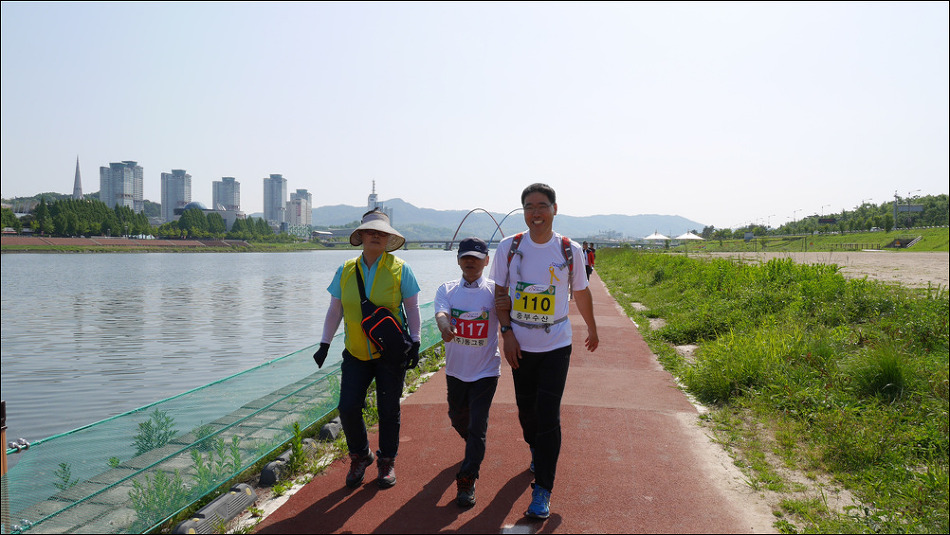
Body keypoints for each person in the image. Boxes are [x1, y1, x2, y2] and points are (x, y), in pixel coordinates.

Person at [490, 183, 599, 520]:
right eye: (529, 207)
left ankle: (543, 489)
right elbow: (499, 293)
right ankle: (536, 449)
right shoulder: (509, 247)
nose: (535, 213)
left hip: (556, 346)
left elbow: (581, 292)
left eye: (541, 206)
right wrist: (506, 332)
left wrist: (592, 328)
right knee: (527, 414)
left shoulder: (569, 250)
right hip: (520, 346)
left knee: (549, 415)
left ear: (554, 209)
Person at [312, 209, 421, 490]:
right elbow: (335, 310)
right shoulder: (346, 270)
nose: (375, 235)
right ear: (360, 235)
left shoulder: (401, 269)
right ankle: (361, 455)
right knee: (348, 407)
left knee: (388, 410)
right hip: (355, 353)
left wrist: (416, 340)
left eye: (381, 232)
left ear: (388, 238)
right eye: (370, 231)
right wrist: (324, 344)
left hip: (390, 354)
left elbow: (412, 308)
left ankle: (387, 461)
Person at [434, 237, 502, 508]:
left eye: (476, 257)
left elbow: (509, 320)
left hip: (486, 371)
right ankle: (475, 445)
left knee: (477, 425)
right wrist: (444, 327)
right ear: (458, 260)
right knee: (457, 418)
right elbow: (441, 313)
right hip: (456, 371)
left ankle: (467, 478)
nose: (470, 261)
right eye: (465, 257)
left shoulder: (496, 291)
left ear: (487, 261)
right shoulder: (447, 289)